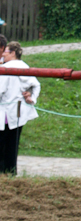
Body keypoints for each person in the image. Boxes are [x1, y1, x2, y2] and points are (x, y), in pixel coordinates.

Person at [0, 41, 40, 174]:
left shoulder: (6, 68)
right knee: (13, 144)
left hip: (5, 113)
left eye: (5, 52)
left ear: (12, 53)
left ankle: (2, 172)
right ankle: (11, 172)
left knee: (2, 144)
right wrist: (31, 97)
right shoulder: (25, 66)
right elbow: (36, 85)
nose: (3, 55)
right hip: (19, 113)